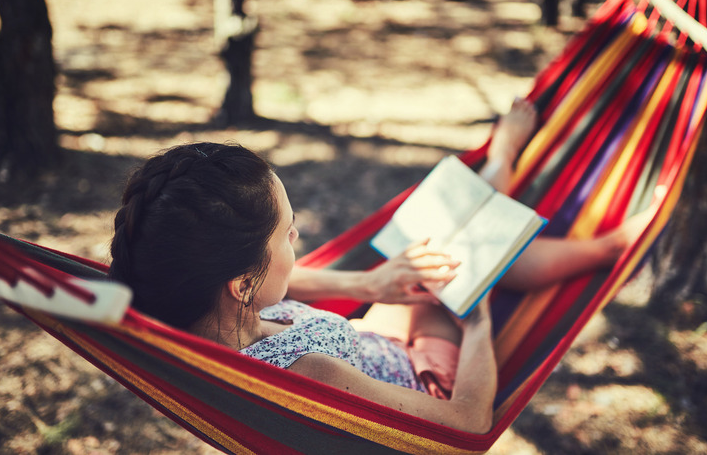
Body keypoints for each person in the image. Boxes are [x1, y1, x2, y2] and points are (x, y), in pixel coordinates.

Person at [108, 100, 647, 434]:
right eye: (287, 233)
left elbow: (281, 287)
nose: (298, 238)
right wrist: (478, 322)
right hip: (424, 380)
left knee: (431, 253)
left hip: (372, 339)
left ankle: (501, 167)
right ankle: (606, 245)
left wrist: (369, 283)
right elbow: (467, 427)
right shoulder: (306, 374)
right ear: (244, 282)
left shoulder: (196, 309)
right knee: (470, 260)